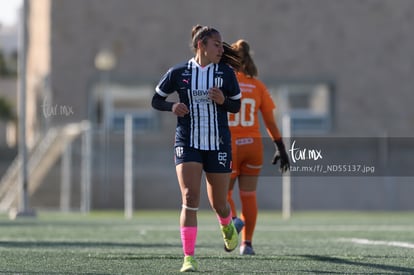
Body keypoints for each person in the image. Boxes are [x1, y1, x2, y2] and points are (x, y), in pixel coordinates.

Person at [151, 25, 242, 272]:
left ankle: (227, 226)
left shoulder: (226, 73)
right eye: (216, 44)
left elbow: (236, 106)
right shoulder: (178, 72)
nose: (221, 50)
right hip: (188, 141)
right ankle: (188, 258)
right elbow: (156, 99)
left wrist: (223, 100)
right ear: (201, 44)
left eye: (222, 45)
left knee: (220, 204)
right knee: (190, 198)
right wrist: (172, 107)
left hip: (218, 143)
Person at [227, 39, 290, 255]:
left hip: (228, 145)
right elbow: (270, 122)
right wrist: (280, 147)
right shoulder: (257, 85)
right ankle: (247, 244)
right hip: (253, 146)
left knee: (223, 193)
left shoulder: (224, 82)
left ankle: (233, 221)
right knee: (249, 195)